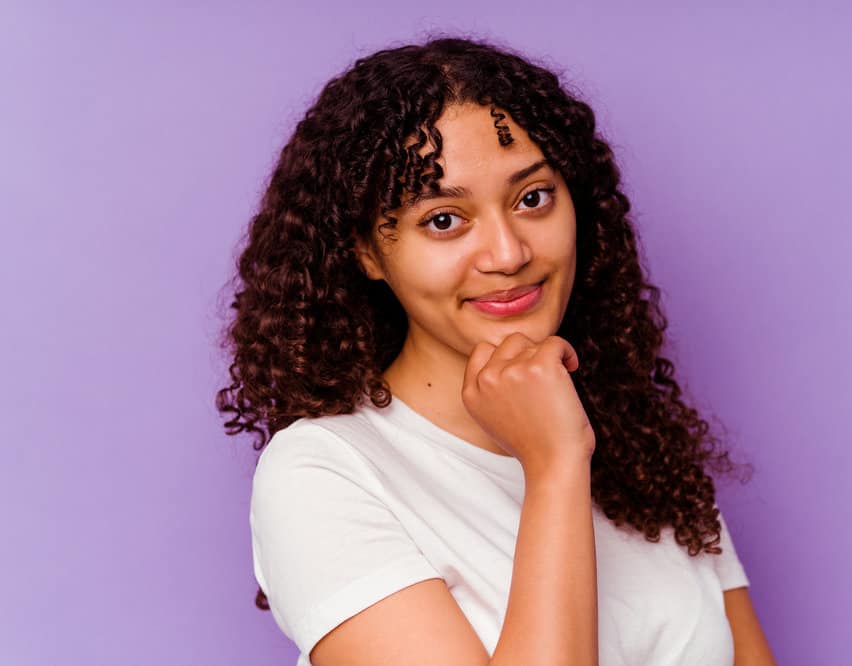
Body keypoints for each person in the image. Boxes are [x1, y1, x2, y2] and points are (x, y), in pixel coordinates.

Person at [216, 34, 777, 666]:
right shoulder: (324, 473)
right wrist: (557, 464)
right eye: (444, 220)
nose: (509, 254)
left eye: (532, 198)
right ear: (367, 251)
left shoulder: (642, 447)